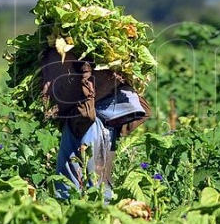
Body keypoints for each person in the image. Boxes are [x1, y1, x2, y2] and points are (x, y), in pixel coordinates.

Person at [41, 49, 150, 201]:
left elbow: (143, 110)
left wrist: (88, 72)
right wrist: (86, 72)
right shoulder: (95, 120)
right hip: (82, 196)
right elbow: (88, 102)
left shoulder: (99, 123)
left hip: (84, 197)